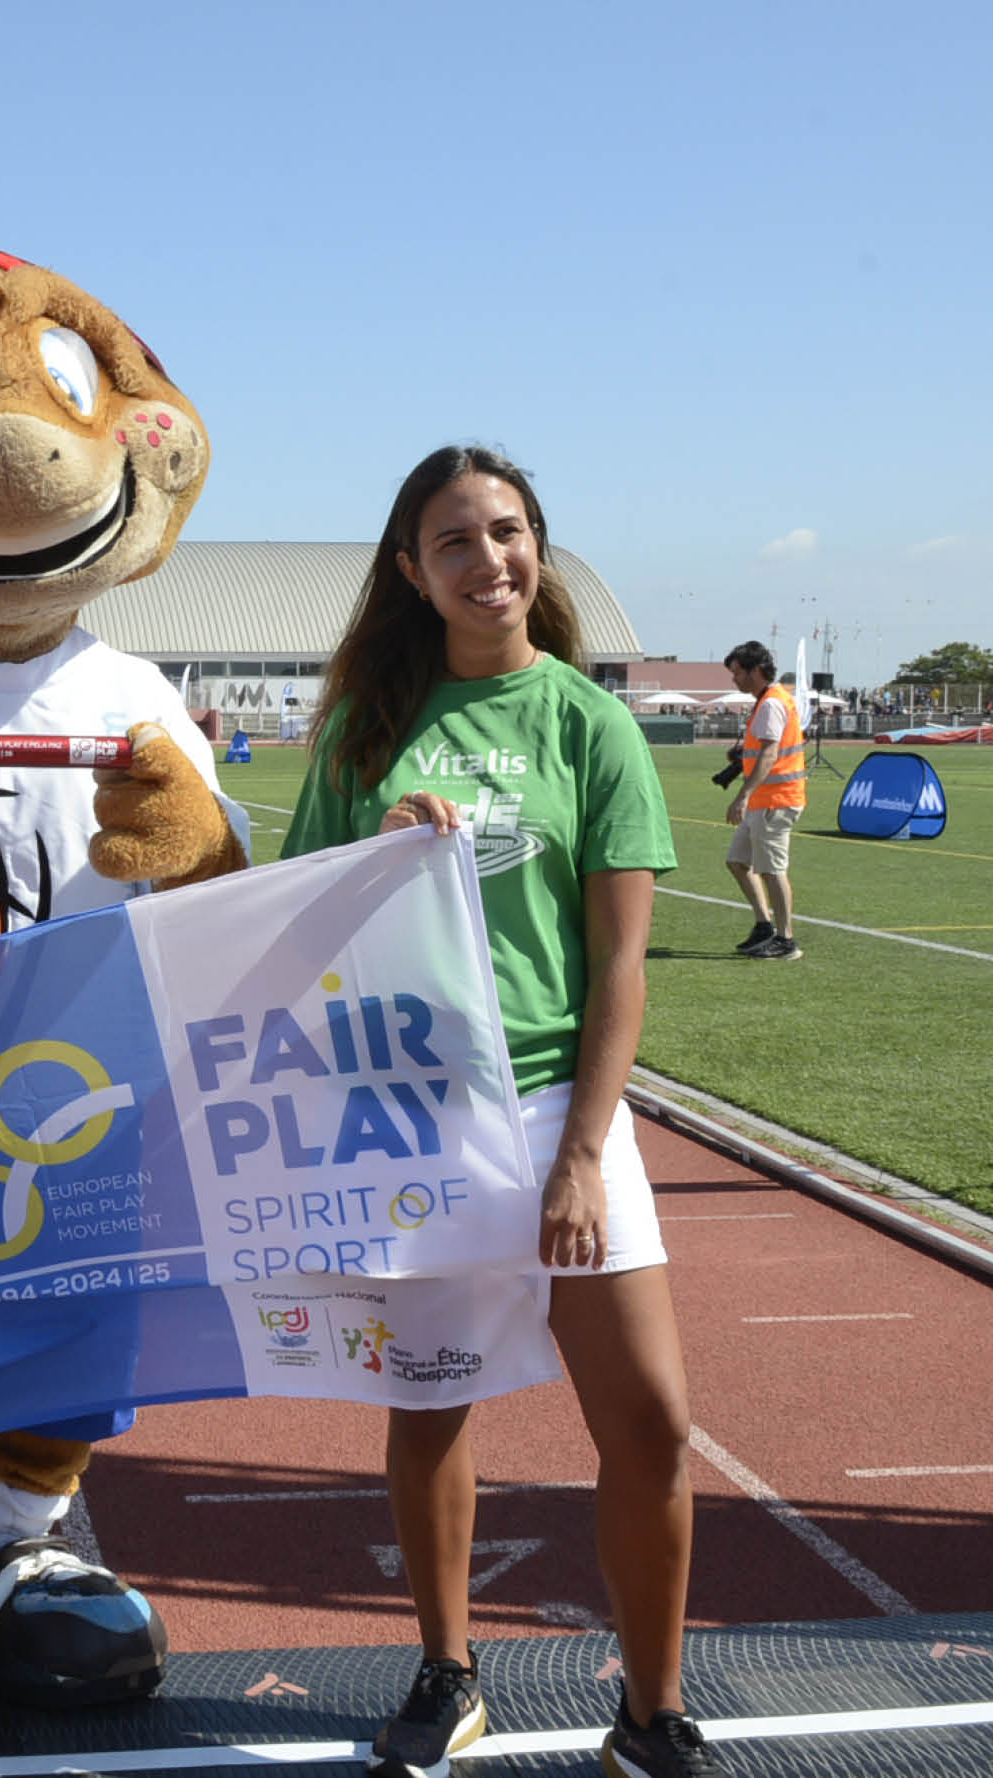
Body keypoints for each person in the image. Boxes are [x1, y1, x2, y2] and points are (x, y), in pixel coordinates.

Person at [280, 446, 721, 1778]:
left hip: (554, 1113)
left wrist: (584, 1150)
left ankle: (647, 1715)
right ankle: (445, 1668)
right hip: (410, 1120)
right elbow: (293, 925)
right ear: (410, 572)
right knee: (430, 1406)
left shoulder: (585, 726)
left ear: (539, 549)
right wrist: (374, 851)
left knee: (646, 1421)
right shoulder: (365, 732)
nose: (490, 561)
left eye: (508, 531)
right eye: (455, 541)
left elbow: (618, 966)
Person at [721, 641, 803, 962]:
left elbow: (770, 754)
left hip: (775, 800)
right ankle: (764, 926)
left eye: (738, 672)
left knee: (772, 870)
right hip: (765, 800)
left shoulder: (770, 704)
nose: (734, 679)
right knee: (737, 861)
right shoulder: (767, 700)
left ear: (756, 671)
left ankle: (786, 939)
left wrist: (742, 795)